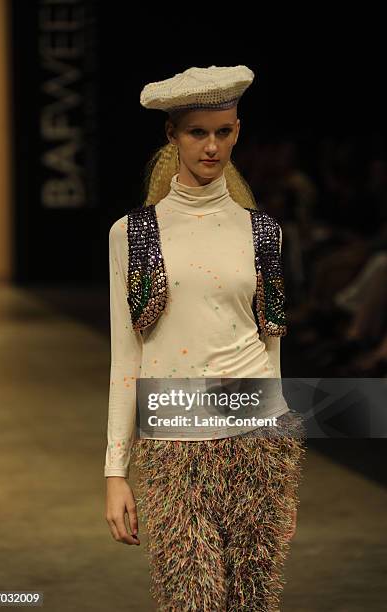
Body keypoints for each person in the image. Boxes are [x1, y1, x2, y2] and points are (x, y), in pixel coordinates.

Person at [105, 65, 306, 611]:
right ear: (172, 136)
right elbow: (127, 354)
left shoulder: (263, 233)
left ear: (238, 130)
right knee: (189, 600)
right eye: (198, 132)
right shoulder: (135, 234)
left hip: (259, 439)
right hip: (173, 440)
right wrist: (115, 472)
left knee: (252, 600)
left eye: (224, 131)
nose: (212, 146)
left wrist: (280, 444)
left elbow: (272, 346)